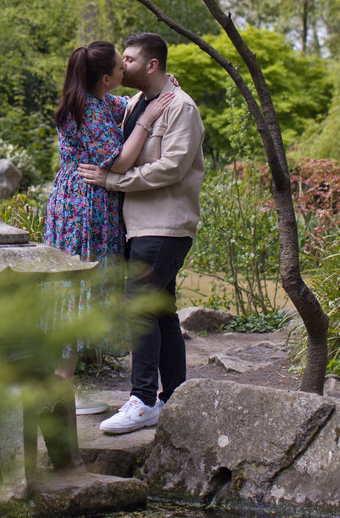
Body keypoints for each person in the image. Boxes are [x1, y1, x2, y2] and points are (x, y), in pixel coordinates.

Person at [77, 31, 205, 435]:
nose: (121, 66)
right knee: (161, 310)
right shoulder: (134, 103)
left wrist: (113, 181)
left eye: (128, 59)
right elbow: (94, 105)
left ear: (151, 64)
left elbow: (172, 167)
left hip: (166, 224)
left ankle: (143, 398)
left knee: (139, 304)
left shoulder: (181, 107)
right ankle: (175, 396)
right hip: (138, 226)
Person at [43, 40, 172, 412]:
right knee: (77, 288)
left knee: (85, 288)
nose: (125, 70)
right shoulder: (88, 110)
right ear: (105, 78)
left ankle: (66, 383)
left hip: (90, 201)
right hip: (83, 206)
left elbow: (128, 105)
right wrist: (147, 122)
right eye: (121, 66)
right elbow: (117, 162)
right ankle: (61, 388)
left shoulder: (98, 100)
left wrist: (163, 89)